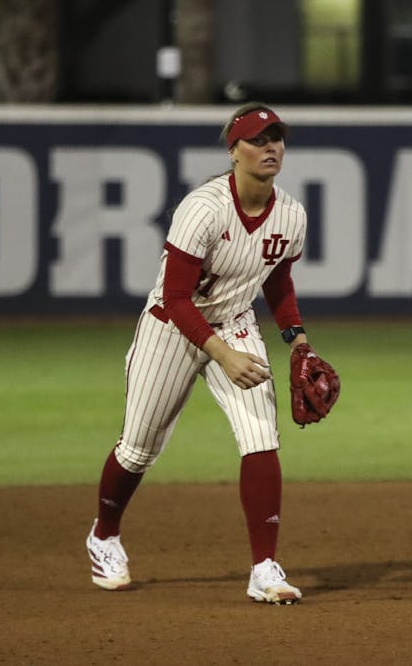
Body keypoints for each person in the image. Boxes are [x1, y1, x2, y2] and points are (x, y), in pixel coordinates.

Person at [86, 103, 315, 605]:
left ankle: (264, 567)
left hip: (234, 324)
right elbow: (175, 298)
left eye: (277, 138)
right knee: (138, 448)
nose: (270, 147)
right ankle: (104, 535)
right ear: (234, 151)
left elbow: (278, 282)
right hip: (171, 328)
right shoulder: (203, 208)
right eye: (258, 139)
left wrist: (297, 340)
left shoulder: (292, 215)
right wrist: (222, 356)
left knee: (261, 438)